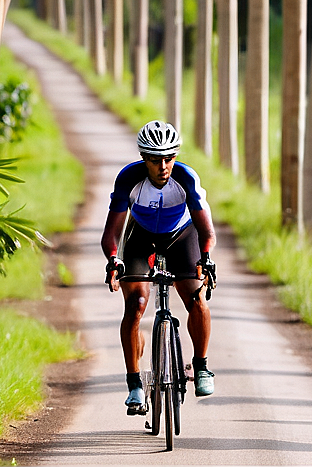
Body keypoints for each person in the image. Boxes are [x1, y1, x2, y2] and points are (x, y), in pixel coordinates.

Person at [101, 120, 218, 414]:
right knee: (136, 305)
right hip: (140, 235)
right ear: (144, 159)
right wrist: (113, 259)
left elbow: (207, 232)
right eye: (155, 160)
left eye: (169, 158)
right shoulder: (128, 179)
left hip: (181, 235)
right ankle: (134, 384)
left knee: (196, 299)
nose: (163, 166)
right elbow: (111, 233)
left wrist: (206, 257)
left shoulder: (186, 178)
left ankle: (201, 367)